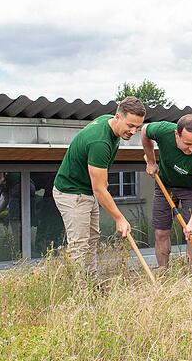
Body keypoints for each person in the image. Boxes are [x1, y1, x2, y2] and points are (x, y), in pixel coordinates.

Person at [52, 96, 146, 276]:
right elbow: (99, 189)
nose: (133, 131)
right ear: (118, 117)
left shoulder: (109, 123)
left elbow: (99, 184)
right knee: (79, 244)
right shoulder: (100, 142)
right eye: (130, 125)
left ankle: (91, 283)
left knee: (92, 239)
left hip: (87, 190)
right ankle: (80, 293)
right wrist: (119, 218)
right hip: (72, 192)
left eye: (138, 127)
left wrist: (102, 188)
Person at [142, 114, 192, 268]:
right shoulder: (163, 131)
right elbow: (144, 130)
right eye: (188, 143)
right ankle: (163, 273)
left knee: (191, 233)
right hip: (165, 186)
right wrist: (151, 161)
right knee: (161, 232)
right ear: (177, 134)